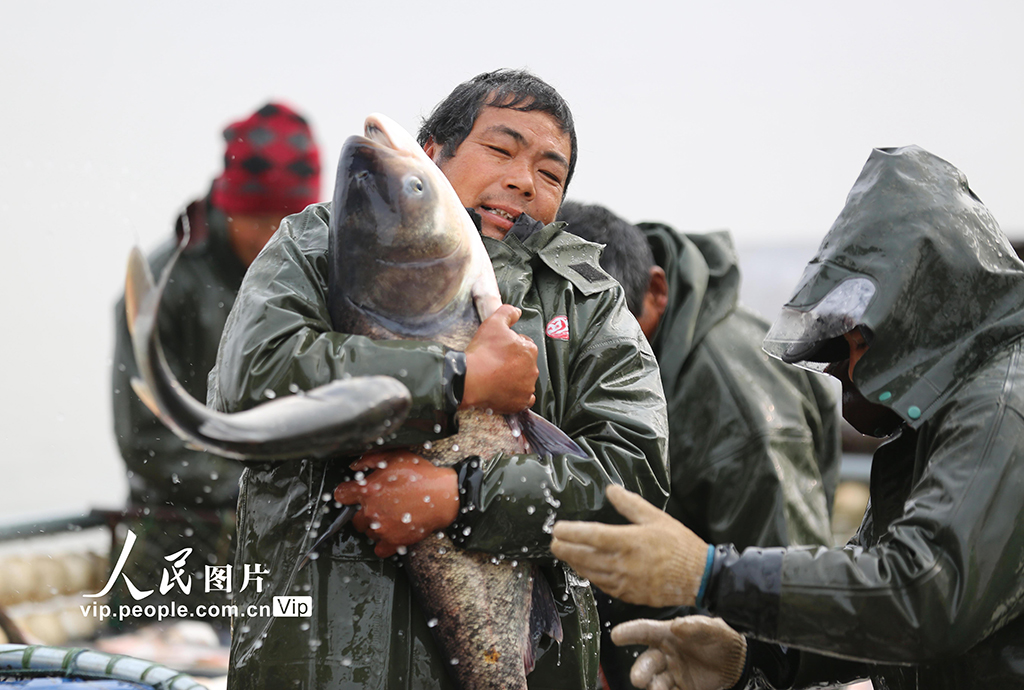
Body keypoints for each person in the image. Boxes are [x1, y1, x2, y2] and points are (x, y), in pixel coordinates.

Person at [206, 69, 669, 689]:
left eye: (550, 173)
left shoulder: (587, 305)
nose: (523, 181)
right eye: (501, 150)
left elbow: (633, 482)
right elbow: (247, 381)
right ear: (432, 153)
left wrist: (462, 495)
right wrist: (458, 378)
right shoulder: (319, 246)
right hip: (317, 663)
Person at [551, 145, 1024, 689]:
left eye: (854, 343)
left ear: (921, 313)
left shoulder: (1003, 402)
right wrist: (760, 658)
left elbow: (924, 595)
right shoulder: (941, 412)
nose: (846, 371)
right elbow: (871, 592)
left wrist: (708, 574)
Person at [556, 201, 840, 689]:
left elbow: (792, 597)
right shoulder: (573, 311)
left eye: (607, 334)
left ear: (658, 293)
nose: (587, 358)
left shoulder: (740, 409)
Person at [110, 102, 321, 632]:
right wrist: (271, 481)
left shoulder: (316, 276)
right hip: (173, 545)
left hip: (284, 545)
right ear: (229, 205)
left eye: (288, 219)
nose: (275, 233)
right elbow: (148, 443)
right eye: (261, 218)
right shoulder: (161, 286)